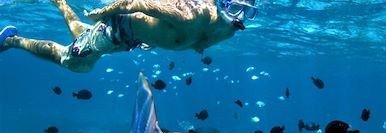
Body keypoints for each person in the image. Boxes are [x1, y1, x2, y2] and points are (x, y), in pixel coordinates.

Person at [0, 0, 258, 72]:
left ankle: (59, 2)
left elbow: (196, 42)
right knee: (74, 62)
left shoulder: (230, 29)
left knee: (81, 36)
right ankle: (11, 40)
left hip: (133, 39)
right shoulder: (188, 14)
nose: (239, 16)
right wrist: (102, 14)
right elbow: (133, 3)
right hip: (119, 29)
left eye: (247, 11)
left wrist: (154, 38)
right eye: (236, 7)